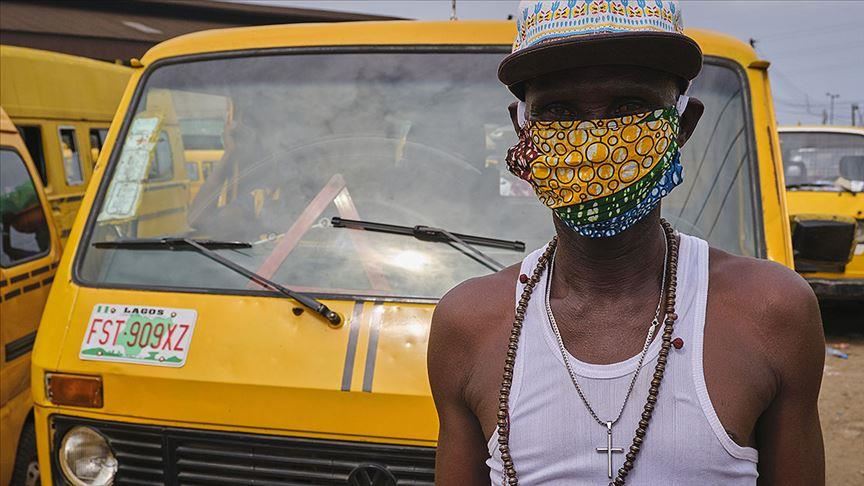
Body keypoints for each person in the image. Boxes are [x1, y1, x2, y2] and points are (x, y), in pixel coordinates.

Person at [428, 1, 825, 485]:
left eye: (630, 107)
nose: (596, 140)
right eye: (559, 111)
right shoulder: (468, 324)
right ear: (523, 129)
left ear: (682, 126)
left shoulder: (771, 312)